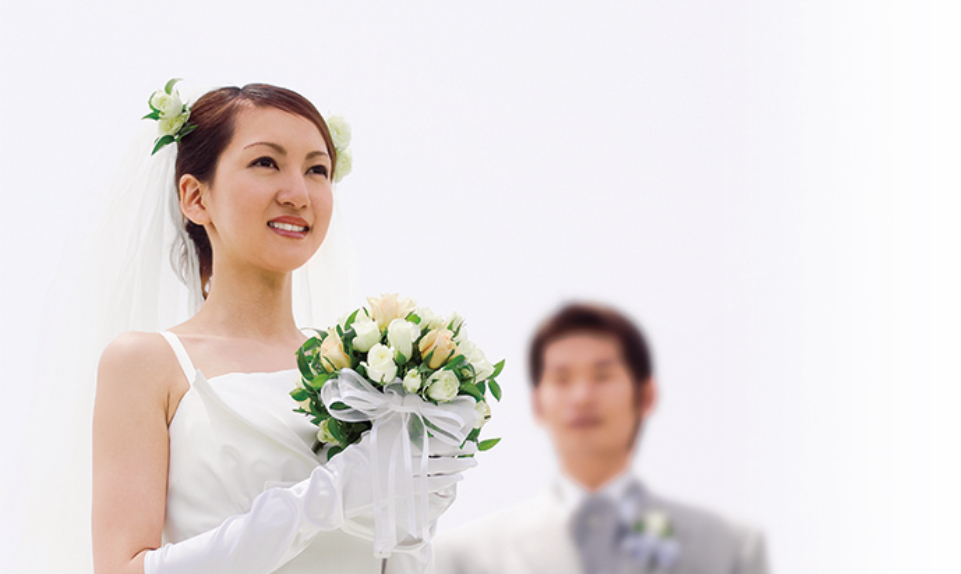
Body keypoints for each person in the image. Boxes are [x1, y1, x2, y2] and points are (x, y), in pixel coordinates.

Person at [90, 83, 474, 574]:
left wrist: (414, 525)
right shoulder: (147, 363)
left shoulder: (362, 374)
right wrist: (328, 496)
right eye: (266, 163)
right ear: (194, 196)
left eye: (317, 170)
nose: (297, 193)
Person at [435, 302, 769, 574]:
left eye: (603, 375)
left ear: (646, 394)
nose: (581, 396)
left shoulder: (730, 548)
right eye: (562, 379)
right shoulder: (466, 558)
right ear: (538, 403)